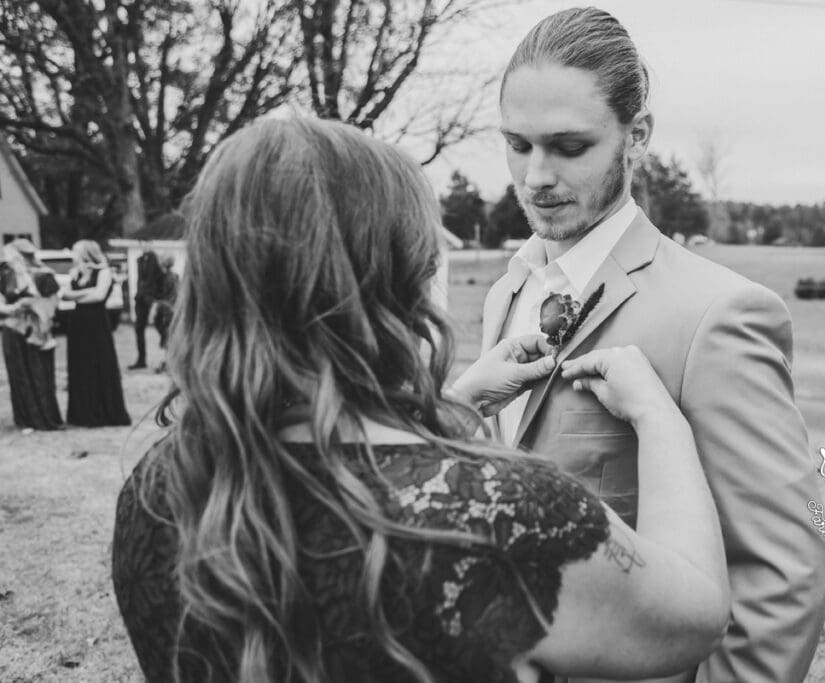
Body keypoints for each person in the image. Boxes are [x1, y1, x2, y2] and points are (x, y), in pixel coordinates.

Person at [110, 117, 731, 683]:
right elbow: (695, 613)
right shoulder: (502, 517)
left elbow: (340, 476)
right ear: (392, 278)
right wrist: (658, 418)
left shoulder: (158, 488)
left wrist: (453, 408)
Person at [484, 8, 825, 681]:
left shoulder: (719, 314)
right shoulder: (509, 291)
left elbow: (788, 572)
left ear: (635, 135)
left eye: (569, 146)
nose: (535, 176)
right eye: (518, 144)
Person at [61, 239, 131, 427]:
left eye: (76, 252)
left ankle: (104, 411)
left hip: (96, 322)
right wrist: (86, 293)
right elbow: (65, 295)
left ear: (86, 252)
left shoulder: (104, 271)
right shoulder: (75, 272)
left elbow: (99, 296)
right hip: (77, 323)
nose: (73, 256)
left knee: (99, 362)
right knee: (80, 364)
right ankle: (82, 412)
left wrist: (79, 295)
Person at [0, 240, 63, 431]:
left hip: (38, 331)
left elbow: (52, 304)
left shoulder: (44, 274)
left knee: (40, 374)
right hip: (14, 328)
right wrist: (13, 308)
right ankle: (26, 418)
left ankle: (46, 417)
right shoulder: (5, 274)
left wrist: (37, 309)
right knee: (20, 374)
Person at [128, 249, 162, 370]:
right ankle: (141, 360)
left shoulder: (156, 259)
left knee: (162, 328)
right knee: (139, 329)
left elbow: (159, 279)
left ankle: (169, 360)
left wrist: (157, 299)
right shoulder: (140, 260)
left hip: (152, 298)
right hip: (141, 298)